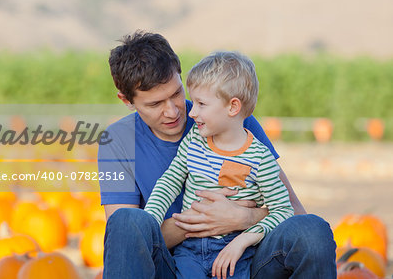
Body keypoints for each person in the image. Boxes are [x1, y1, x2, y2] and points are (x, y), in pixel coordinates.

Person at [99, 31, 336, 279]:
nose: (173, 112)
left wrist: (245, 217)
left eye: (177, 94)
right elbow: (130, 243)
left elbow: (293, 211)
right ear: (126, 100)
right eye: (155, 104)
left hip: (243, 261)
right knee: (126, 221)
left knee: (312, 230)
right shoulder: (116, 142)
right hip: (174, 265)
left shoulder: (229, 120)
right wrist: (202, 219)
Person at [143, 51, 294, 279]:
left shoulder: (260, 158)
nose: (192, 112)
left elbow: (283, 211)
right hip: (189, 249)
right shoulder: (194, 140)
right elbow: (170, 180)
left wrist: (243, 240)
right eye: (193, 102)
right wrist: (151, 219)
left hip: (235, 251)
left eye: (201, 104)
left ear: (233, 107)